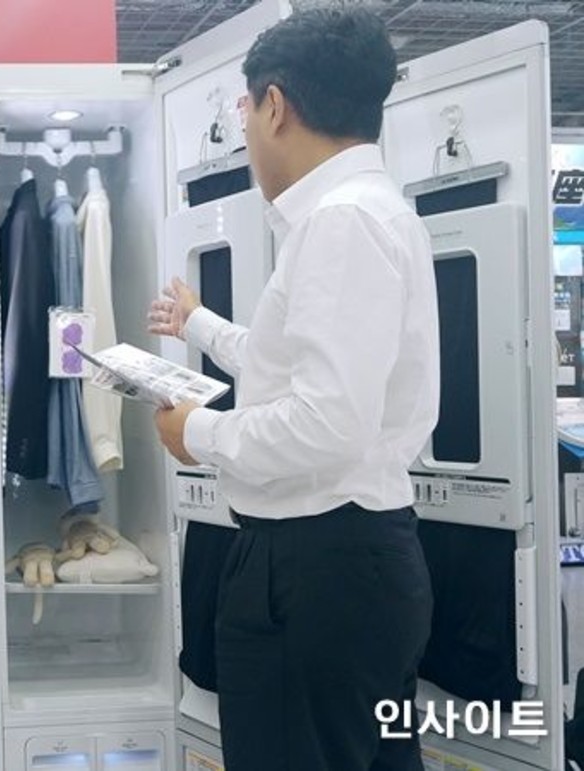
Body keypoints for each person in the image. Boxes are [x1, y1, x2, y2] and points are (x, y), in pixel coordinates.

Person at [147, 9, 439, 771]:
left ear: (274, 105)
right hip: (353, 562)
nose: (244, 130)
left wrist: (195, 432)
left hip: (313, 569)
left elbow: (326, 423)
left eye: (244, 109)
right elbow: (301, 368)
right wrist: (201, 324)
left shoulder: (340, 223)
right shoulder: (373, 212)